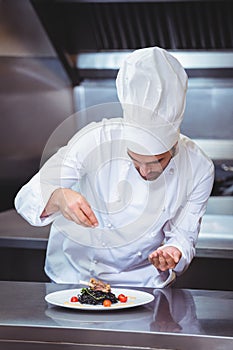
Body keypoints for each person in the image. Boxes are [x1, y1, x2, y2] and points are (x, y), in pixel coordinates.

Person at [15, 47, 214, 287]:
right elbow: (27, 195)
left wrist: (174, 250)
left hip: (144, 285)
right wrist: (58, 197)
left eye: (157, 162)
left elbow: (184, 234)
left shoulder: (199, 167)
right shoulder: (95, 139)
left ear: (174, 146)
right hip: (74, 279)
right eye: (135, 160)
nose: (144, 171)